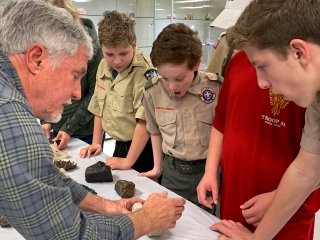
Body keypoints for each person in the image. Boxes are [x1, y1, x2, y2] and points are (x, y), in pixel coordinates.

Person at [0, 1, 185, 239]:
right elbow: (70, 235)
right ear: (37, 59)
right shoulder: (11, 119)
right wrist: (146, 220)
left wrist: (109, 207)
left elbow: (47, 178)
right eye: (75, 75)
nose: (78, 93)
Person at [209, 0, 320, 239]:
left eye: (263, 66)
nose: (262, 83)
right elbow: (307, 171)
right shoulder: (315, 97)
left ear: (299, 52)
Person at [138, 23, 222, 207]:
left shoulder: (216, 88)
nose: (171, 86)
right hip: (173, 175)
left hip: (210, 173)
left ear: (197, 64)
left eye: (179, 78)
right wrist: (157, 168)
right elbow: (155, 131)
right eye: (165, 77)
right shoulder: (153, 92)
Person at [79, 10, 154, 173]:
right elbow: (99, 107)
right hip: (120, 146)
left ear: (134, 45)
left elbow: (145, 122)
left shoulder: (145, 72)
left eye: (123, 53)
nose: (117, 61)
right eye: (109, 54)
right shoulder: (103, 66)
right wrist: (96, 142)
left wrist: (128, 161)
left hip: (143, 147)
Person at [41, 0, 104, 150]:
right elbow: (46, 87)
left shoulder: (93, 51)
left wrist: (70, 126)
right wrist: (45, 120)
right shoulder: (47, 48)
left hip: (86, 131)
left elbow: (95, 95)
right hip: (57, 126)